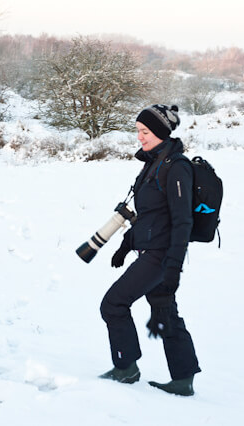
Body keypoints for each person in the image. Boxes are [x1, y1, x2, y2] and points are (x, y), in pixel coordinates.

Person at [98, 104, 201, 396]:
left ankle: (126, 368)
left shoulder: (176, 167)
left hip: (162, 256)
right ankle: (183, 379)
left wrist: (172, 270)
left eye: (145, 132)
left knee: (113, 304)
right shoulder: (153, 163)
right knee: (166, 313)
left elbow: (182, 222)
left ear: (160, 132)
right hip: (150, 251)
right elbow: (151, 215)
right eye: (138, 132)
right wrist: (126, 244)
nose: (140, 137)